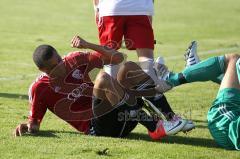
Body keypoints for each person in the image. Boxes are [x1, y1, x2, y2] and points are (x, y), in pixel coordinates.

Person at [14, 36, 186, 139]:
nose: (59, 66)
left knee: (128, 67)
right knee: (103, 77)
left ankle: (171, 118)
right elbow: (34, 123)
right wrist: (27, 127)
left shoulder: (74, 60)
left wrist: (88, 45)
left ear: (60, 55)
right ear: (42, 70)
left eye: (59, 61)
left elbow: (117, 57)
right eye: (53, 67)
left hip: (123, 116)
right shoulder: (39, 89)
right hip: (100, 129)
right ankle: (154, 126)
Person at [92, 0, 194, 129]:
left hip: (113, 8)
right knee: (147, 65)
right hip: (139, 7)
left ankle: (161, 119)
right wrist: (149, 8)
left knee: (111, 66)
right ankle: (169, 116)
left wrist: (96, 7)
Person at [156, 51, 240, 150]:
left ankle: (170, 79)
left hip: (226, 124)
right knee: (235, 64)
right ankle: (195, 70)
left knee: (234, 60)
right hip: (231, 127)